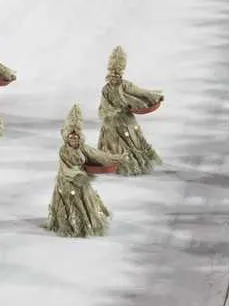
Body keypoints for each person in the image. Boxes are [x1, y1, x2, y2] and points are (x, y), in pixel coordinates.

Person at [45, 104, 122, 238]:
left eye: (75, 137)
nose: (73, 139)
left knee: (86, 200)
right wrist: (78, 175)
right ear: (66, 138)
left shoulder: (83, 148)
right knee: (71, 203)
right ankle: (70, 223)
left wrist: (114, 159)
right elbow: (65, 167)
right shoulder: (63, 151)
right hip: (68, 181)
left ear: (80, 138)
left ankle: (89, 221)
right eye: (70, 137)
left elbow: (98, 155)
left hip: (82, 180)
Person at [97, 46, 164, 176]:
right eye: (112, 74)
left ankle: (129, 162)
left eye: (117, 74)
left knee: (130, 138)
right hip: (111, 121)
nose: (114, 77)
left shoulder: (126, 85)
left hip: (125, 118)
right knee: (112, 141)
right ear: (109, 74)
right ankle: (113, 162)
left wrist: (154, 96)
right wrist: (110, 111)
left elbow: (139, 92)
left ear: (121, 75)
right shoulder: (105, 89)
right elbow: (104, 104)